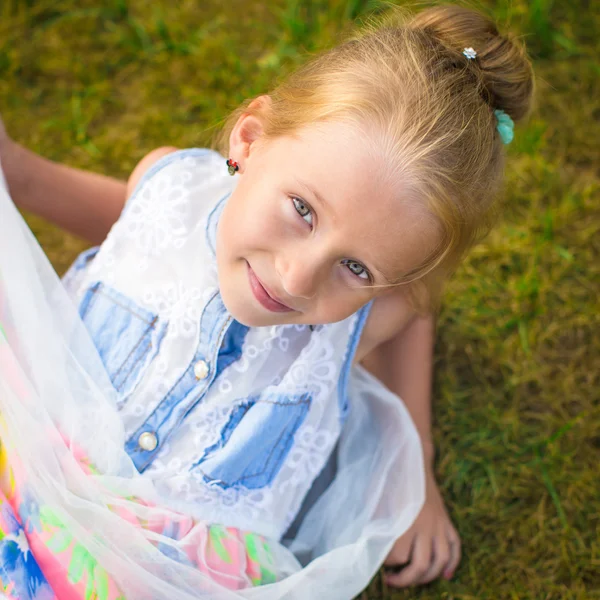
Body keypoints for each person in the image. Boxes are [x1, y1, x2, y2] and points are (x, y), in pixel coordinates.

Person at [0, 4, 534, 595]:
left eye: (356, 267)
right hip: (32, 451)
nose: (299, 280)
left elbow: (414, 317)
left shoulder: (369, 316)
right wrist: (19, 173)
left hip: (165, 564)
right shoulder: (169, 184)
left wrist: (418, 470)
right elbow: (133, 225)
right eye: (302, 210)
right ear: (251, 140)